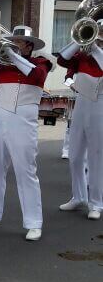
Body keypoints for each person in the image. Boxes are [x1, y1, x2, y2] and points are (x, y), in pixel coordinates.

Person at [0, 25, 51, 241]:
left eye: (18, 42)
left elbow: (36, 77)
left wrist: (12, 55)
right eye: (11, 41)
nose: (13, 44)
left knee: (26, 171)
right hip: (0, 119)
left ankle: (34, 222)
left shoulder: (41, 62)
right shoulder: (2, 65)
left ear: (29, 46)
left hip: (24, 120)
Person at [57, 30, 103, 221]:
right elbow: (62, 59)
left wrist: (96, 49)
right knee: (75, 155)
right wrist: (80, 40)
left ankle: (96, 203)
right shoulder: (83, 54)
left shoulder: (97, 54)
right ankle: (79, 197)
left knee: (96, 157)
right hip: (81, 103)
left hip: (100, 104)